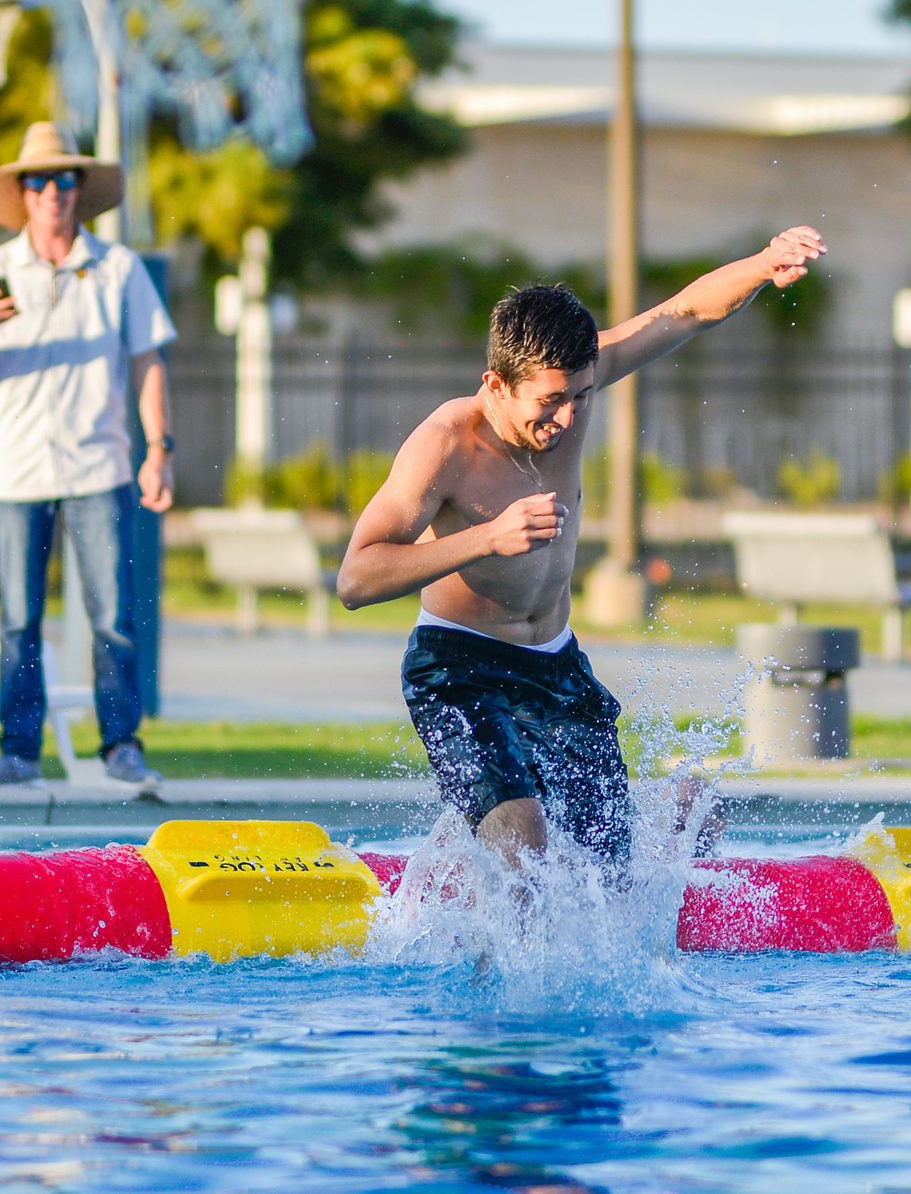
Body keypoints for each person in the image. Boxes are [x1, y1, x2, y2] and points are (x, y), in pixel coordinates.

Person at [337, 228, 828, 869]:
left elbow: (680, 315)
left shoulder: (571, 389)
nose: (568, 419)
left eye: (581, 396)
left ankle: (457, 863)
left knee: (630, 855)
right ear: (496, 383)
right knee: (523, 836)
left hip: (557, 668)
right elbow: (355, 578)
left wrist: (764, 266)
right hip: (460, 671)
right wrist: (486, 537)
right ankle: (479, 880)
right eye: (550, 402)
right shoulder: (446, 444)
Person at [0, 123, 175, 789]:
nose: (52, 192)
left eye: (64, 179)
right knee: (19, 620)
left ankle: (120, 746)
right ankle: (17, 750)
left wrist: (158, 449)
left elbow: (148, 363)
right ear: (21, 192)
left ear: (80, 189)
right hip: (16, 472)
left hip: (97, 466)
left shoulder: (117, 268)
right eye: (39, 181)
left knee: (114, 615)